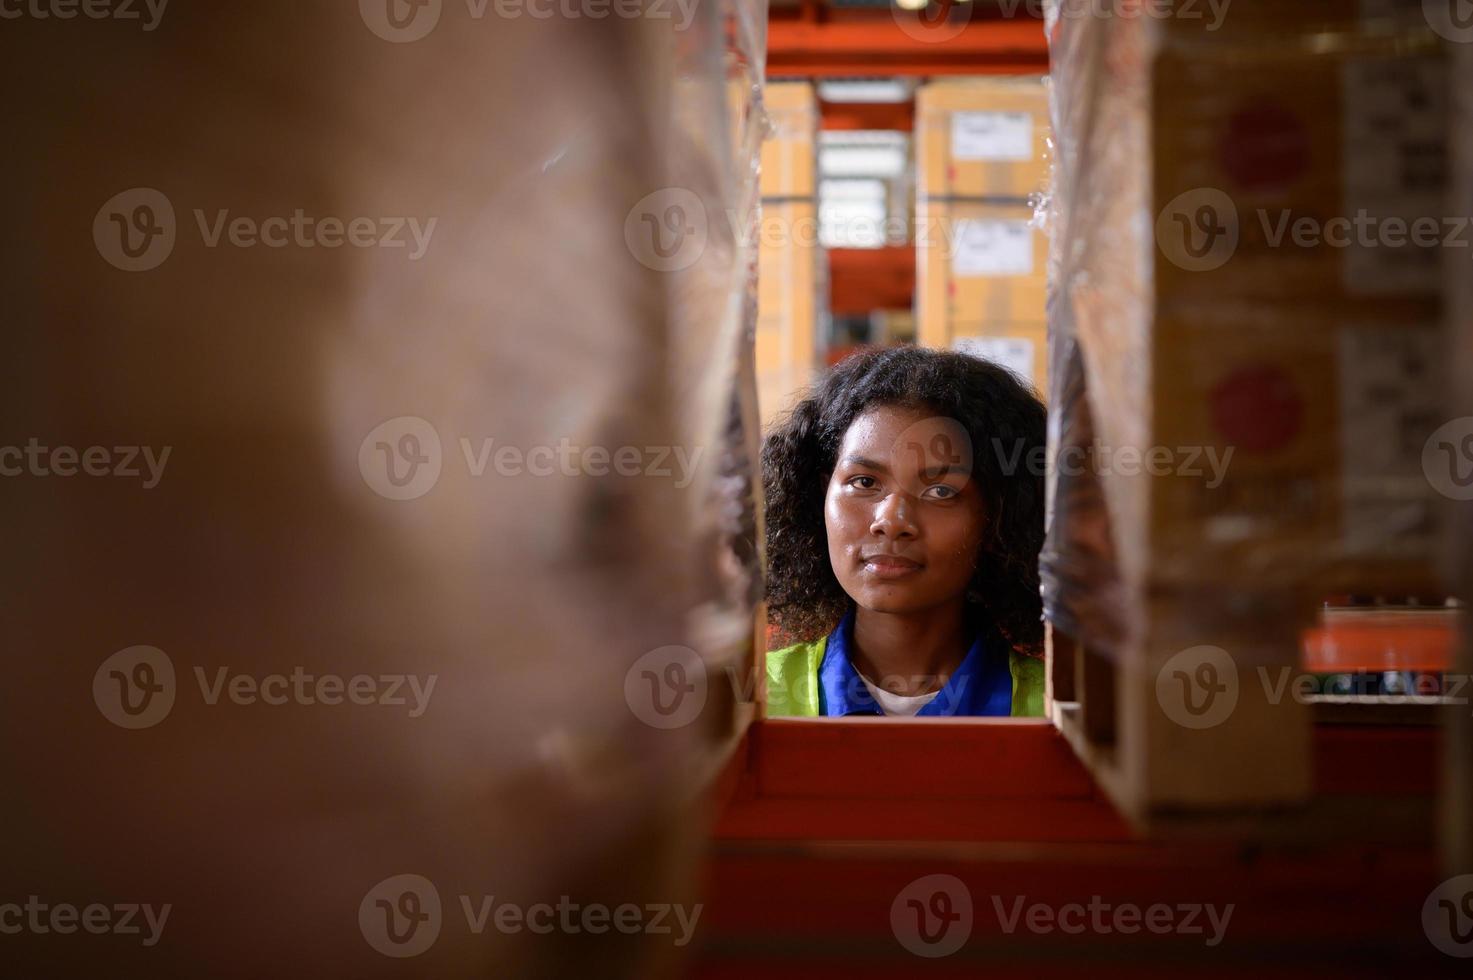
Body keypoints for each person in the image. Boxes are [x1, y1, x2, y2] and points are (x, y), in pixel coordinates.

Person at [761, 346, 1047, 717]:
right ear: (820, 497)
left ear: (997, 519)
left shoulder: (1060, 709)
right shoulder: (750, 702)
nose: (891, 520)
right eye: (864, 482)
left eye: (941, 491)